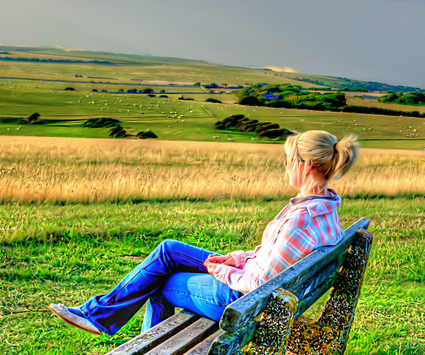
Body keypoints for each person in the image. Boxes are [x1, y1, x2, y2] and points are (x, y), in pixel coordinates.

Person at [49, 130, 359, 337]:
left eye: (290, 161)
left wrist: (224, 270)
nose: (287, 168)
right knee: (169, 251)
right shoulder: (325, 208)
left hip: (243, 302)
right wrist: (235, 258)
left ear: (306, 166)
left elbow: (259, 284)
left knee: (158, 282)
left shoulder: (300, 217)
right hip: (261, 291)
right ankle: (99, 316)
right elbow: (271, 258)